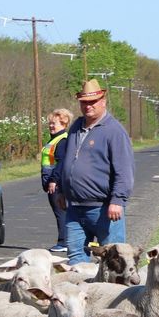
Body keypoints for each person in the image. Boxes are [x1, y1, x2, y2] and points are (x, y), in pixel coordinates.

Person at [48, 79, 135, 265]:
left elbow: (124, 170)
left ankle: (111, 294)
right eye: (84, 102)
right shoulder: (75, 129)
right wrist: (62, 191)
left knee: (114, 261)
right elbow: (67, 162)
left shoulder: (114, 131)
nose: (88, 106)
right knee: (76, 261)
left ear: (103, 102)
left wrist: (118, 200)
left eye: (93, 102)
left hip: (104, 208)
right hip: (74, 209)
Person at [41, 108, 73, 252]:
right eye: (50, 124)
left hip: (56, 183)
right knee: (59, 212)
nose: (51, 126)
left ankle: (64, 242)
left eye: (54, 123)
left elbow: (62, 162)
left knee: (60, 212)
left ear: (64, 123)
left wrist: (54, 180)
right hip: (52, 180)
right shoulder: (55, 139)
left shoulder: (62, 140)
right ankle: (64, 241)